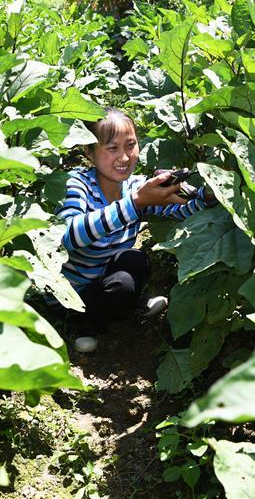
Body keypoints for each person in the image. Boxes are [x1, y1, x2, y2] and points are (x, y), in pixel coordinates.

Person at [56, 107, 216, 353]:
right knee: (122, 284)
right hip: (70, 294)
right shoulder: (77, 183)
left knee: (136, 261)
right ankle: (82, 325)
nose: (124, 157)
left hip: (106, 279)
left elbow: (179, 211)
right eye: (112, 148)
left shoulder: (136, 186)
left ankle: (124, 307)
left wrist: (204, 195)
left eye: (131, 145)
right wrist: (135, 203)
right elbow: (67, 236)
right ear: (89, 152)